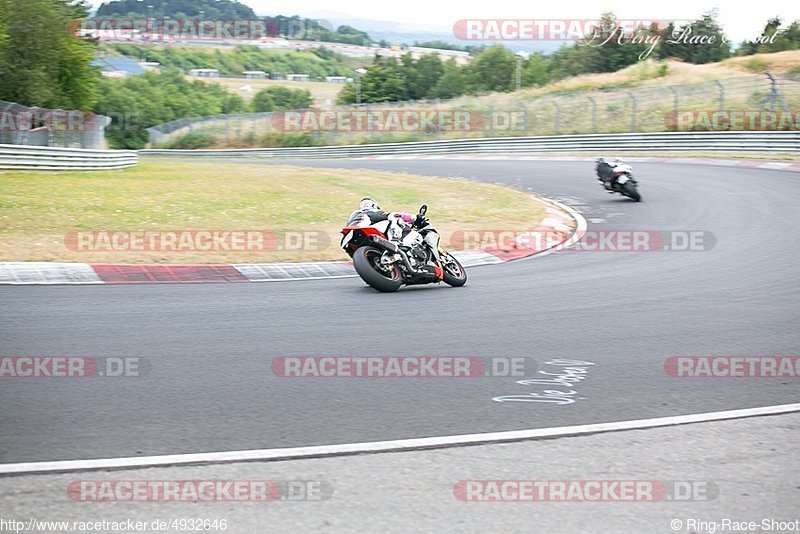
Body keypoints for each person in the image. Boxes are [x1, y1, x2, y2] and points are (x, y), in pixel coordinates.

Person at [347, 197, 441, 267]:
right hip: (366, 233)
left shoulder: (354, 217)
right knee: (395, 219)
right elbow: (395, 215)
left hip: (351, 240)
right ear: (374, 206)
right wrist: (415, 218)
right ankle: (396, 242)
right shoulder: (370, 213)